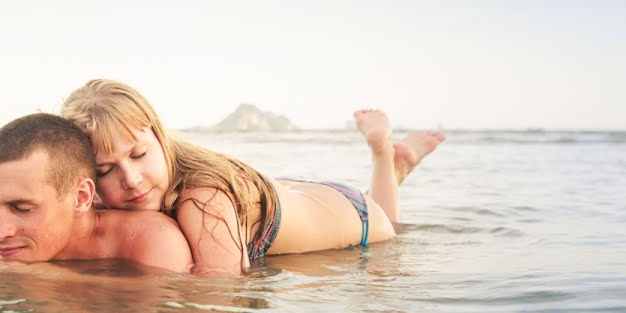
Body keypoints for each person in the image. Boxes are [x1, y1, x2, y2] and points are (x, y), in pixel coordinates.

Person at [60, 80, 446, 276]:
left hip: (357, 215)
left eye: (139, 155)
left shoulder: (204, 198)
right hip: (295, 196)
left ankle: (383, 156)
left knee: (390, 225)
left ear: (161, 139)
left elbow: (223, 292)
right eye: (106, 170)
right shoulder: (100, 198)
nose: (130, 179)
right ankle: (397, 164)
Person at [0, 112, 193, 272]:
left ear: (81, 198)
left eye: (22, 208)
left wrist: (38, 277)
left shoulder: (153, 240)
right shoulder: (28, 247)